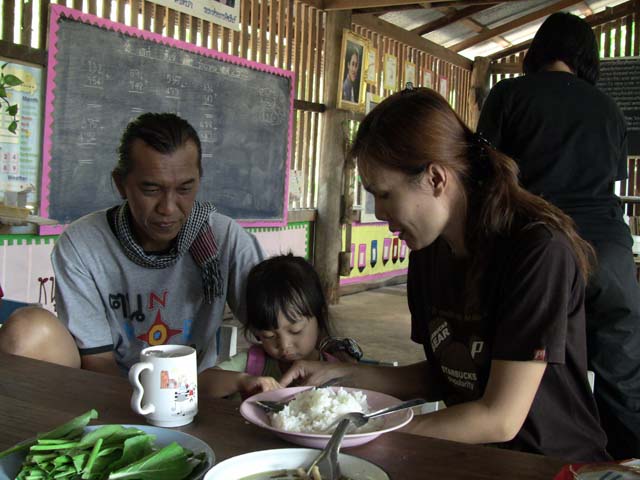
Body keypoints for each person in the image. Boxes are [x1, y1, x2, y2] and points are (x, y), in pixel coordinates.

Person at [280, 87, 610, 462]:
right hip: (473, 458)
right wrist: (337, 377)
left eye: (384, 194)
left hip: (548, 465)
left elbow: (500, 418)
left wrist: (366, 432)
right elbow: (443, 376)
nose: (379, 211)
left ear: (436, 178)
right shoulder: (429, 252)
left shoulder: (536, 251)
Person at [0, 112, 266, 397]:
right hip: (109, 389)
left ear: (199, 181)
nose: (168, 208)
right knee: (26, 331)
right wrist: (138, 410)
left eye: (185, 189)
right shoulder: (83, 245)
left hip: (192, 391)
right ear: (120, 184)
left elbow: (280, 319)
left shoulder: (223, 239)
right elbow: (97, 361)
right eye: (151, 189)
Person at [477, 12, 640, 459]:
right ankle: (626, 465)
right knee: (624, 376)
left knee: (534, 374)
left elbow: (483, 175)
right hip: (609, 255)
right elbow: (611, 181)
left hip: (542, 252)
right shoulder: (608, 109)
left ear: (537, 51)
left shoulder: (510, 94)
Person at [209, 254, 361, 398]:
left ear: (319, 317)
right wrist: (241, 381)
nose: (284, 345)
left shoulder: (334, 369)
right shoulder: (253, 362)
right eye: (269, 336)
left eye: (295, 331)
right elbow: (202, 382)